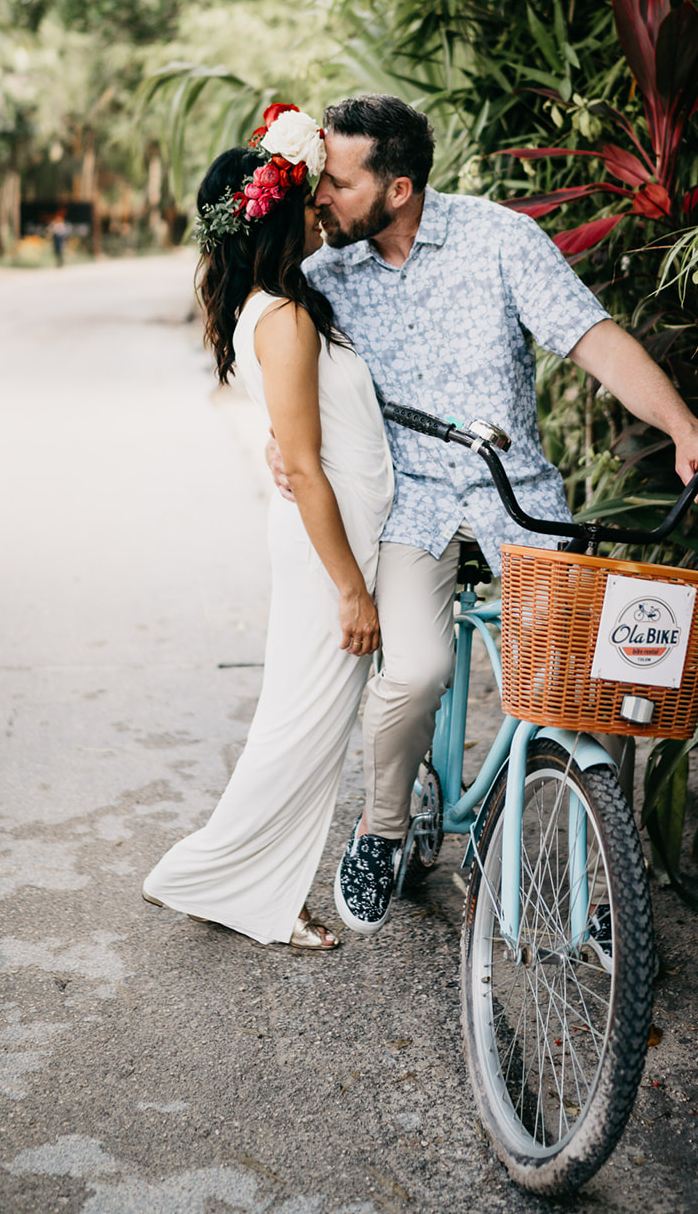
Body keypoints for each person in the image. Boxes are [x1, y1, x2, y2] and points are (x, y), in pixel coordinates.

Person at [268, 94, 698, 938]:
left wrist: (683, 428)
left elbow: (591, 338)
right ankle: (380, 830)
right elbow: (284, 370)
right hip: (408, 502)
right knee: (412, 673)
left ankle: (603, 891)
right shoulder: (323, 273)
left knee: (596, 692)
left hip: (516, 499)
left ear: (399, 187)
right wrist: (280, 441)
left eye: (335, 183)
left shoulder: (498, 239)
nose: (320, 198)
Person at [142, 104, 394, 950]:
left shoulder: (280, 305)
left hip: (338, 530)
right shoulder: (283, 316)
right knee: (304, 724)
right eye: (309, 198)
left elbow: (296, 438)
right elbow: (309, 464)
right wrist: (352, 590)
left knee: (306, 720)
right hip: (332, 544)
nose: (323, 207)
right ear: (277, 218)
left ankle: (235, 876)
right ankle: (229, 881)